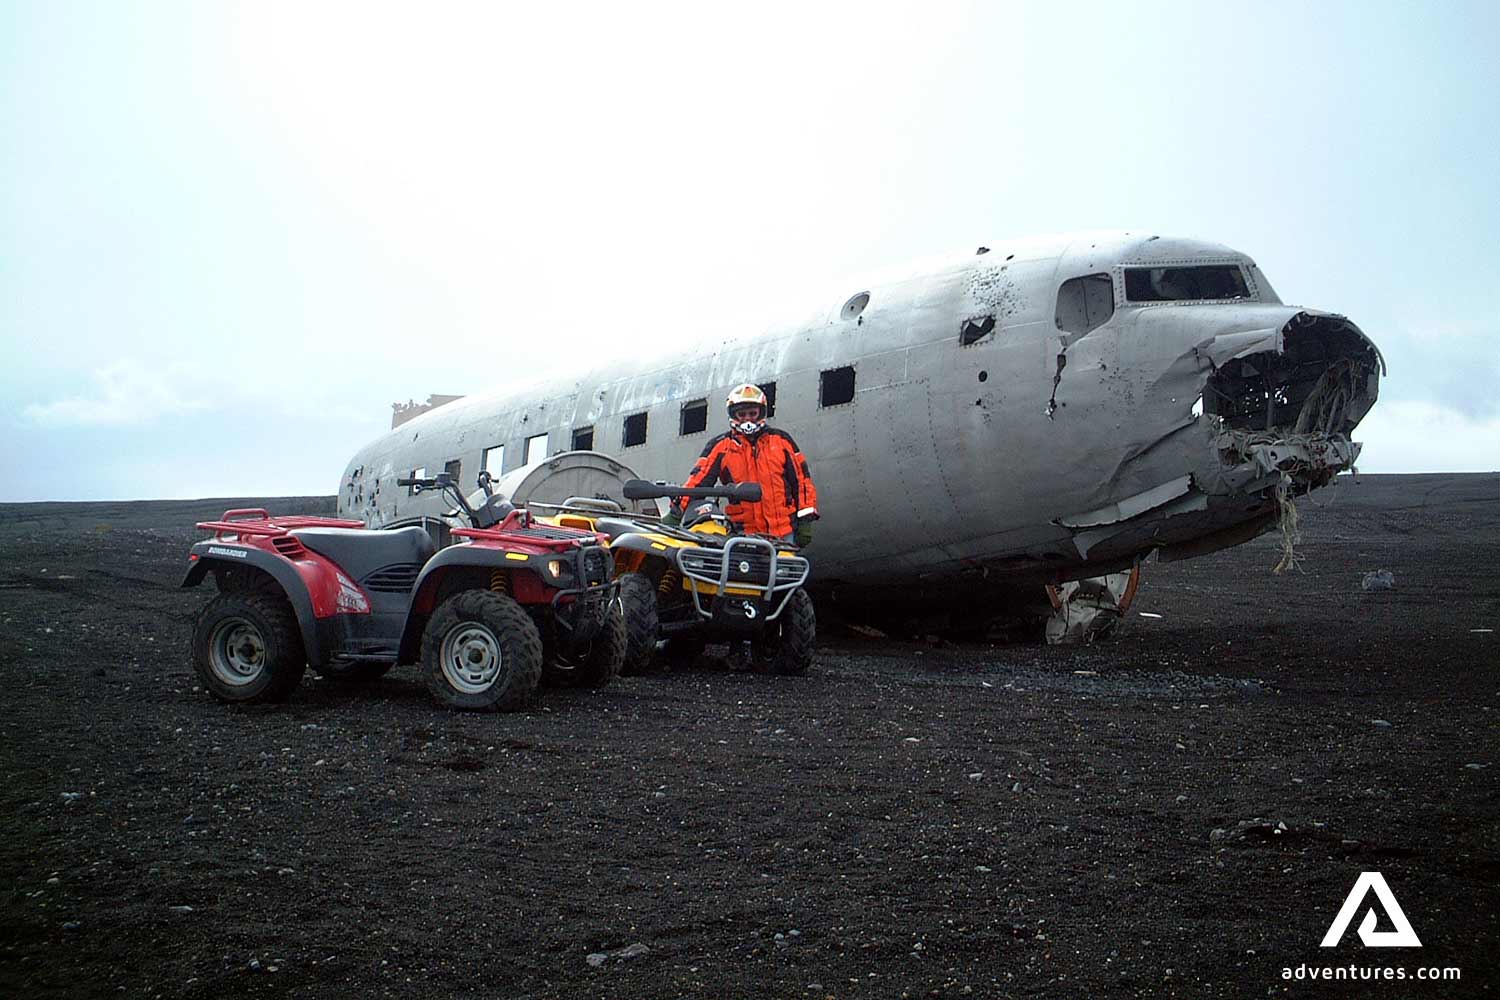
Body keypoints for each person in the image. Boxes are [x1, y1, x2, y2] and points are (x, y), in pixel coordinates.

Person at [665, 383, 819, 547]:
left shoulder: (782, 442)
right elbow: (697, 481)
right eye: (742, 414)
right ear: (733, 415)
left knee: (784, 572)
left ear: (762, 412)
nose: (748, 419)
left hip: (783, 533)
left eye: (752, 413)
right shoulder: (721, 447)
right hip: (743, 534)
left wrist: (805, 521)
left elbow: (802, 482)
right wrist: (676, 513)